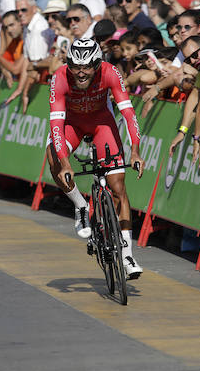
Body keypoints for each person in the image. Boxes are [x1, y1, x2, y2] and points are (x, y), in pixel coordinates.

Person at [47, 38, 145, 279]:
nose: (80, 72)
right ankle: (81, 206)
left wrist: (135, 150)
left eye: (87, 66)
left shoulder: (110, 72)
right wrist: (65, 162)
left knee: (118, 187)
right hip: (72, 124)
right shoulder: (59, 78)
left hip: (102, 123)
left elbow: (128, 112)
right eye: (75, 66)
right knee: (53, 159)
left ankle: (127, 255)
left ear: (98, 64)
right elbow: (56, 124)